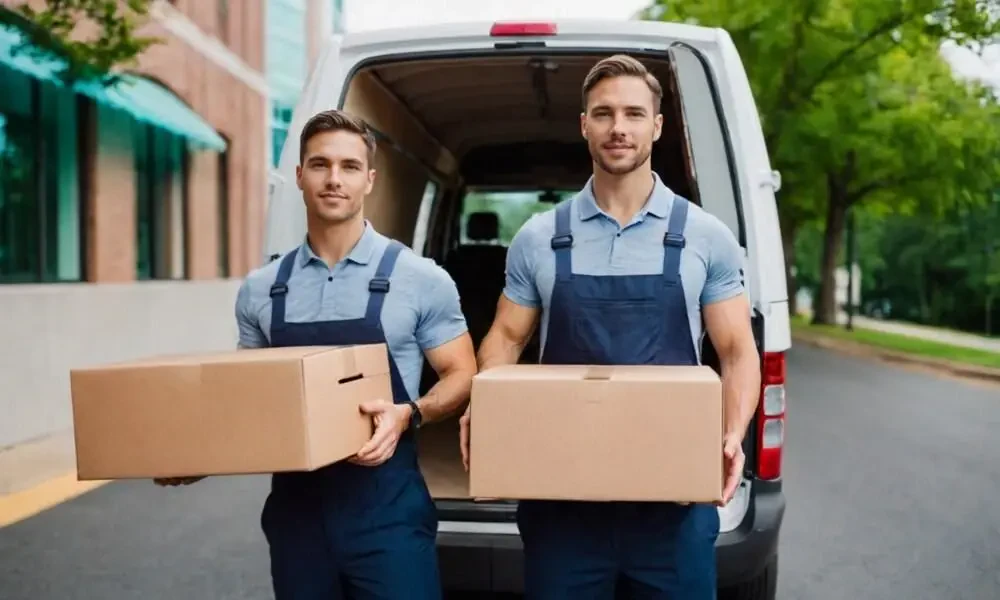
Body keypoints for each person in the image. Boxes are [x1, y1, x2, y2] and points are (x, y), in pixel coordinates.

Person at [458, 54, 761, 598]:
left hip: (674, 503)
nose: (618, 128)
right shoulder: (538, 238)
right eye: (603, 114)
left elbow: (737, 350)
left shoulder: (705, 236)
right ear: (583, 125)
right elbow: (506, 338)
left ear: (657, 125)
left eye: (633, 114)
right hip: (562, 504)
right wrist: (486, 401)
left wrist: (732, 434)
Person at [157, 109, 477, 600]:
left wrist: (408, 414)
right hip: (297, 518)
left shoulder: (420, 278)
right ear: (300, 176)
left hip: (387, 514)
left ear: (369, 179)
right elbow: (250, 400)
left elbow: (460, 374)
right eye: (320, 164)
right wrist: (198, 458)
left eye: (349, 167)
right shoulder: (261, 290)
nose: (334, 179)